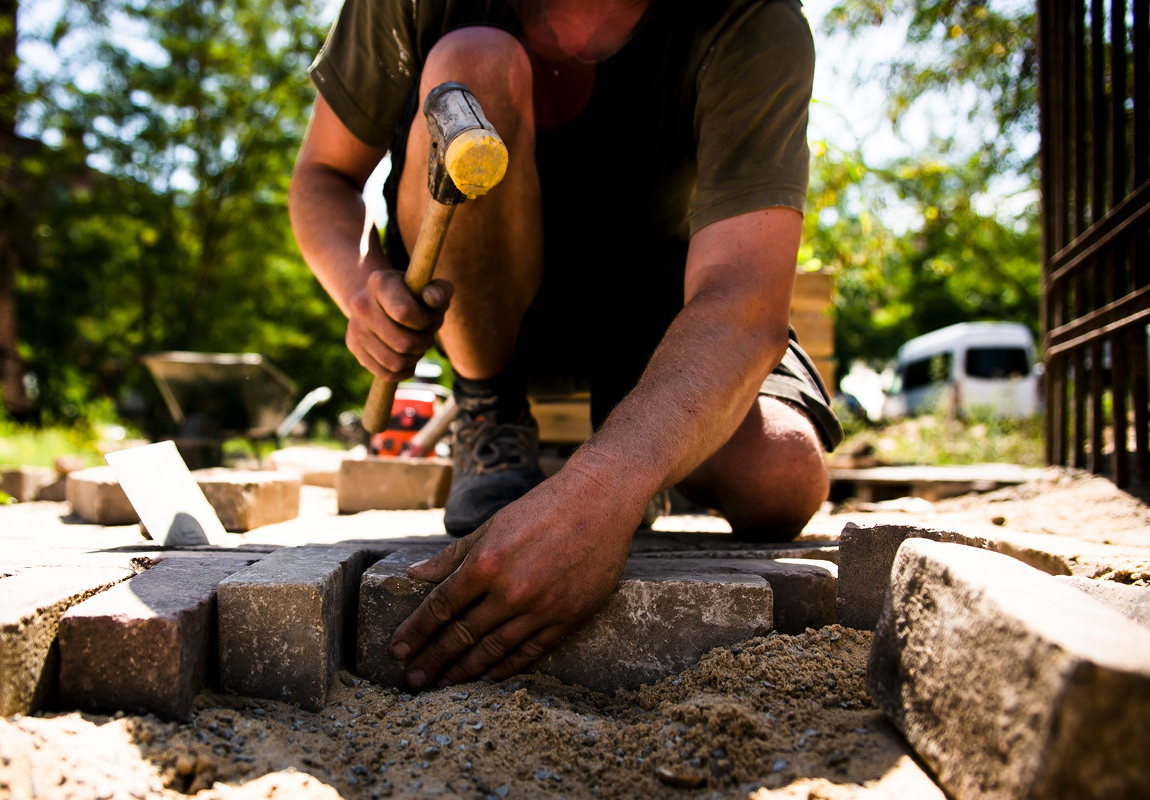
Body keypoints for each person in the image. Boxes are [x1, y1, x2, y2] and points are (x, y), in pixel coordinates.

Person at [288, 0, 843, 690]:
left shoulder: (750, 20)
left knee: (782, 477)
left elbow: (742, 301)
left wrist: (607, 487)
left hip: (660, 310)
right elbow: (323, 176)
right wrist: (361, 285)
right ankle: (489, 404)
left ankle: (635, 429)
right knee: (473, 62)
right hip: (485, 300)